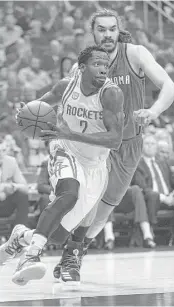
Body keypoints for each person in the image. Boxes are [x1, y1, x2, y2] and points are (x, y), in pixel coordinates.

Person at [51, 9, 174, 282]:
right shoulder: (81, 67)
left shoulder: (135, 54)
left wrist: (153, 112)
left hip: (130, 144)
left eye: (112, 28)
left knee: (105, 208)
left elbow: (169, 86)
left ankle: (76, 251)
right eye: (101, 29)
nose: (107, 34)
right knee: (93, 199)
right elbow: (68, 106)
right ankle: (71, 253)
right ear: (93, 33)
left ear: (118, 30)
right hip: (99, 145)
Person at [0, 45, 124, 285]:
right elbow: (42, 106)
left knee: (56, 236)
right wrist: (26, 112)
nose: (103, 69)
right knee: (68, 194)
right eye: (97, 64)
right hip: (64, 149)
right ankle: (31, 256)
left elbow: (115, 139)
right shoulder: (66, 86)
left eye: (106, 65)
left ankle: (21, 237)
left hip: (95, 164)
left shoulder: (111, 94)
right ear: (82, 67)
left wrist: (71, 133)